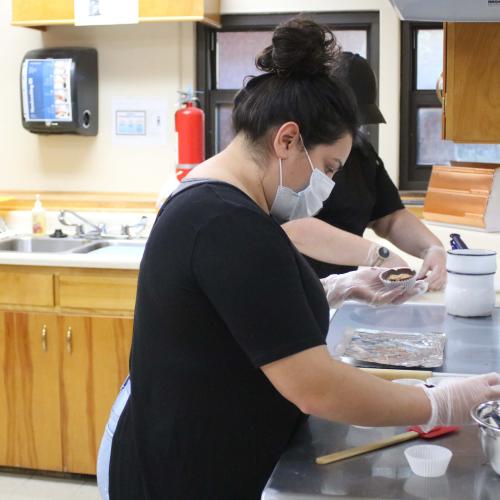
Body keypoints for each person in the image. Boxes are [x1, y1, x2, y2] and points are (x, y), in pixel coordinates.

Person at [97, 18, 500, 500]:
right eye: (328, 169)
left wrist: (340, 286)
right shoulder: (227, 223)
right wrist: (443, 402)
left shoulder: (220, 201)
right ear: (287, 140)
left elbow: (235, 314)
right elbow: (318, 388)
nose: (327, 187)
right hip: (183, 471)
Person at [282, 52, 447, 291]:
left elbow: (390, 218)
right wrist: (377, 255)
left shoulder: (361, 153)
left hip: (335, 296)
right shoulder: (290, 153)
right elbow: (293, 227)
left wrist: (431, 247)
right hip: (289, 290)